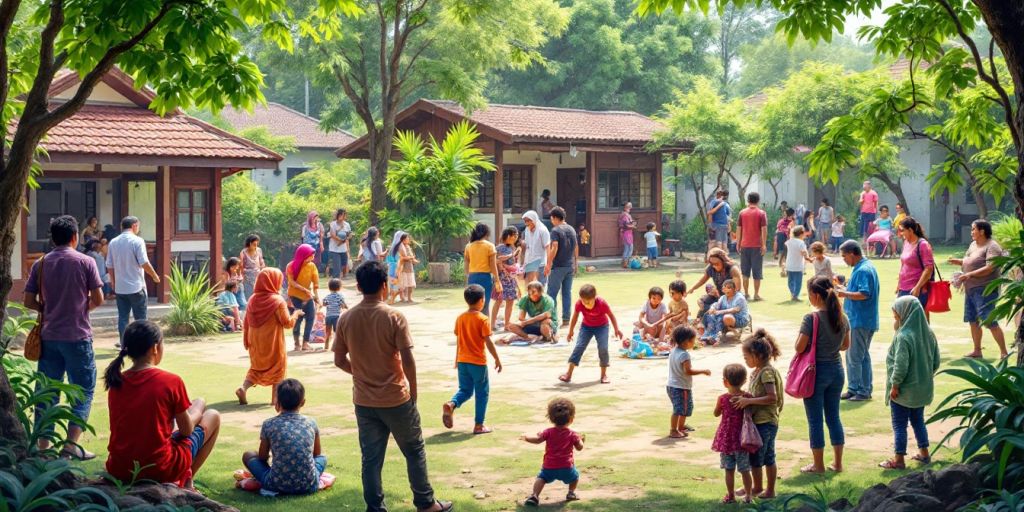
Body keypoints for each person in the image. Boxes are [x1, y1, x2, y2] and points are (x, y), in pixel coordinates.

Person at [333, 261, 452, 512]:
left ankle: (375, 507)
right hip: (396, 398)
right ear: (384, 286)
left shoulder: (347, 318)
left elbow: (339, 360)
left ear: (358, 286)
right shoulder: (394, 316)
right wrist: (414, 393)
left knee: (371, 459)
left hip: (364, 400)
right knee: (414, 450)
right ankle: (425, 503)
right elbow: (407, 359)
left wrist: (363, 372)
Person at [23, 215, 104, 459]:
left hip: (48, 338)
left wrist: (50, 310)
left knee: (47, 392)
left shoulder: (42, 263)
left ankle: (43, 448)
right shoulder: (85, 261)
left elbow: (28, 301)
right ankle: (70, 446)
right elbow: (99, 298)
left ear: (52, 238)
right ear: (74, 237)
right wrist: (79, 309)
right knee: (83, 390)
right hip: (77, 336)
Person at [105, 320, 220, 489]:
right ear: (155, 348)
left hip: (120, 467)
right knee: (213, 416)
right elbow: (186, 430)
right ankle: (187, 481)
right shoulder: (170, 381)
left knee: (171, 431)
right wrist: (198, 407)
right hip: (159, 468)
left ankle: (186, 480)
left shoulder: (116, 383)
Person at [879, 296, 940, 470]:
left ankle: (898, 459)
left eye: (897, 316)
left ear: (906, 314)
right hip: (921, 390)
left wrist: (895, 385)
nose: (896, 320)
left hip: (903, 391)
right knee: (918, 420)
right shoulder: (928, 333)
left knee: (899, 425)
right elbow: (936, 362)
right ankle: (924, 453)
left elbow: (900, 365)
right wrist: (924, 377)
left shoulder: (904, 337)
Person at [798, 277, 850, 473]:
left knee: (815, 420)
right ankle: (837, 463)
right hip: (836, 370)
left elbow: (799, 346)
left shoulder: (811, 318)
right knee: (834, 417)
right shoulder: (842, 317)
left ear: (816, 295)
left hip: (815, 372)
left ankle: (818, 465)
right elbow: (846, 345)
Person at [243, 379, 327, 495]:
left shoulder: (269, 424)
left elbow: (262, 457)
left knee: (248, 455)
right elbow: (317, 455)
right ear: (302, 402)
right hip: (309, 484)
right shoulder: (311, 423)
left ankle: (271, 476)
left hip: (276, 484)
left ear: (278, 402)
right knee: (322, 458)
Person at [442, 284, 503, 434]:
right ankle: (479, 425)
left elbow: (459, 339)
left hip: (463, 360)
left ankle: (452, 403)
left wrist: (456, 359)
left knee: (465, 390)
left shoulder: (460, 318)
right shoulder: (483, 319)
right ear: (482, 300)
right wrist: (497, 358)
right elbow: (488, 341)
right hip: (477, 362)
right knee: (482, 393)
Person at [237, 268, 303, 406]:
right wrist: (296, 314)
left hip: (255, 341)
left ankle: (243, 388)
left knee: (256, 368)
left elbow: (247, 321)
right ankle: (275, 400)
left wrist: (247, 339)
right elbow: (287, 323)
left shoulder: (252, 299)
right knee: (277, 369)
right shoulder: (277, 301)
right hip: (273, 342)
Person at [732, 330, 783, 499]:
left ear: (758, 355)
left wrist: (749, 402)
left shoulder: (766, 372)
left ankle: (760, 488)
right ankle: (762, 488)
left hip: (765, 422)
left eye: (746, 357)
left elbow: (772, 398)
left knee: (760, 457)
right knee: (766, 456)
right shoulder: (759, 371)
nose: (745, 360)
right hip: (762, 421)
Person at [949, 219, 1009, 359]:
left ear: (982, 231)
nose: (971, 232)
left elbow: (990, 268)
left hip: (985, 290)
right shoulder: (973, 245)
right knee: (973, 320)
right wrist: (959, 262)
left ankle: (1004, 352)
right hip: (971, 289)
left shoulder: (992, 246)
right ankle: (977, 351)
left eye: (973, 229)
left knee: (989, 320)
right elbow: (969, 260)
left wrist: (969, 274)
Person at [106, 216, 161, 345]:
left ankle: (124, 343)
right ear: (135, 225)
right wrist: (154, 275)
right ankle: (141, 343)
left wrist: (113, 282)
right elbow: (144, 262)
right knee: (140, 319)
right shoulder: (137, 241)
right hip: (136, 286)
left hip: (120, 287)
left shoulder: (113, 242)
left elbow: (109, 265)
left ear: (122, 227)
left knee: (123, 318)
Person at [521, 398, 585, 507]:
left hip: (549, 466)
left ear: (551, 418)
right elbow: (579, 448)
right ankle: (571, 493)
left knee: (541, 479)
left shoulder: (548, 432)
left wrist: (526, 438)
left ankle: (535, 496)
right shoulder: (573, 434)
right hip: (566, 467)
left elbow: (537, 440)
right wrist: (581, 440)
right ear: (571, 419)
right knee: (575, 477)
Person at [837, 241, 880, 401]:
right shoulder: (863, 267)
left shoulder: (863, 270)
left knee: (856, 356)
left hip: (860, 320)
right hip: (861, 319)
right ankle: (855, 387)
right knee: (858, 355)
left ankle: (862, 390)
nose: (844, 260)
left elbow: (864, 293)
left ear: (852, 253)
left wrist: (844, 294)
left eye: (844, 256)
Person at [561, 284, 623, 384]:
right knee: (579, 347)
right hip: (586, 327)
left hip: (602, 327)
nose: (585, 304)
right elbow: (575, 317)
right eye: (583, 301)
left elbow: (611, 315)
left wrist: (616, 329)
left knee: (603, 348)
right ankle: (568, 373)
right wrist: (570, 331)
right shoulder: (579, 304)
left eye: (588, 302)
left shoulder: (602, 303)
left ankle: (604, 375)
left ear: (594, 297)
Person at [712, 364, 752, 504]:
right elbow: (752, 412)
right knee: (745, 469)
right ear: (744, 380)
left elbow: (716, 413)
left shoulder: (723, 398)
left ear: (725, 381)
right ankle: (748, 496)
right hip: (742, 439)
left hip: (726, 440)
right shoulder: (747, 397)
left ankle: (731, 496)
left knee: (729, 470)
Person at [666, 326, 711, 439]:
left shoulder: (673, 351)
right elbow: (688, 371)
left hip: (671, 385)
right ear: (687, 341)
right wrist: (703, 371)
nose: (694, 342)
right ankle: (674, 430)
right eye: (693, 340)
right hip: (681, 387)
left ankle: (680, 427)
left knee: (682, 408)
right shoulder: (684, 355)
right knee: (679, 409)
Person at [896, 217, 935, 318]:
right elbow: (903, 264)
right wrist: (899, 284)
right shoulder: (906, 243)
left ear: (910, 230)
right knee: (901, 317)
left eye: (902, 230)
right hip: (904, 287)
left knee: (918, 320)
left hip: (917, 289)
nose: (901, 234)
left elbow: (929, 268)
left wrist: (918, 287)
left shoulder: (923, 245)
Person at [546, 208, 578, 325]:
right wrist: (576, 263)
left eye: (551, 218)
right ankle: (566, 319)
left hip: (558, 266)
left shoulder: (555, 230)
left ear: (554, 217)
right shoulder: (572, 229)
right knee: (566, 293)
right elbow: (576, 247)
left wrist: (548, 263)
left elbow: (554, 247)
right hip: (569, 265)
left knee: (552, 294)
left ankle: (552, 319)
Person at [287, 244, 320, 352]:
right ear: (303, 255)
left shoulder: (312, 266)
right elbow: (291, 282)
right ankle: (297, 343)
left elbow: (315, 284)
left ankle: (305, 343)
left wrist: (316, 297)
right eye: (310, 255)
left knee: (310, 318)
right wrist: (304, 289)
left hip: (307, 297)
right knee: (298, 319)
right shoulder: (291, 265)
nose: (312, 258)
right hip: (295, 296)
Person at [736, 192, 768, 301]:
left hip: (744, 245)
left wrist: (738, 243)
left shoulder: (742, 213)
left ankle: (746, 294)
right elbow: (764, 230)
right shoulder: (761, 213)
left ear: (748, 200)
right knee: (757, 271)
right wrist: (763, 244)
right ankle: (756, 294)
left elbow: (739, 229)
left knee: (745, 271)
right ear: (758, 200)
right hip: (757, 246)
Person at [464, 222, 502, 313]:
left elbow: (466, 264)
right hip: (485, 277)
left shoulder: (468, 246)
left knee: (472, 304)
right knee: (484, 304)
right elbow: (493, 265)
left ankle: (473, 325)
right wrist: (497, 280)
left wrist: (467, 277)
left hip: (472, 277)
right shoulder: (489, 246)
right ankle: (484, 325)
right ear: (486, 233)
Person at [492, 227, 522, 330]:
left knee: (510, 301)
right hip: (503, 278)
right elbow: (498, 260)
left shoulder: (512, 248)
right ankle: (492, 324)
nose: (516, 237)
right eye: (515, 235)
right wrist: (512, 255)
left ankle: (507, 324)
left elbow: (514, 265)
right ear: (508, 236)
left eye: (517, 235)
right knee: (499, 301)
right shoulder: (500, 247)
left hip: (511, 279)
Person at [703, 280, 750, 345]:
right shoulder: (723, 298)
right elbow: (716, 305)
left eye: (729, 288)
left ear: (735, 289)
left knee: (726, 317)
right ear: (723, 289)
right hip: (724, 317)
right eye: (725, 288)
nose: (727, 290)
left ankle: (732, 330)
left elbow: (735, 310)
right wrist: (712, 308)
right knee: (710, 316)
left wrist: (719, 312)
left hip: (740, 319)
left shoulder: (740, 298)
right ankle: (710, 337)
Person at [522, 211, 551, 284]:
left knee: (541, 286)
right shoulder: (527, 230)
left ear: (534, 219)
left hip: (540, 263)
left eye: (529, 221)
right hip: (529, 262)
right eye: (525, 221)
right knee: (529, 286)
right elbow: (527, 247)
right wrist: (524, 262)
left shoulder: (543, 230)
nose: (527, 223)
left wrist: (548, 264)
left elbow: (548, 247)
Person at [785, 226, 810, 301]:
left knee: (790, 281)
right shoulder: (801, 243)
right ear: (801, 234)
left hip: (789, 264)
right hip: (798, 265)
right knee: (798, 282)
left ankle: (793, 293)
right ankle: (795, 295)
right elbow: (804, 252)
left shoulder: (789, 241)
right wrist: (808, 258)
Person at [322, 278, 347, 352]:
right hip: (336, 316)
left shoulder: (327, 296)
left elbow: (324, 303)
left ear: (329, 287)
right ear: (339, 287)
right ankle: (336, 345)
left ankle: (326, 343)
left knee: (328, 331)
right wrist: (346, 307)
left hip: (328, 316)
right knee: (337, 332)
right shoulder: (340, 296)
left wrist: (328, 304)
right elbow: (342, 304)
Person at [327, 209, 352, 279]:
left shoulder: (347, 224)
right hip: (334, 249)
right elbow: (333, 235)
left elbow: (349, 234)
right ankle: (335, 280)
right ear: (338, 215)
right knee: (337, 267)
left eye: (344, 215)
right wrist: (340, 240)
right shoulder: (333, 224)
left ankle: (343, 276)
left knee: (344, 264)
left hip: (343, 248)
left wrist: (347, 238)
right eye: (341, 215)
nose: (343, 216)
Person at [240, 234, 266, 301]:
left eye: (257, 244)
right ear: (249, 243)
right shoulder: (243, 252)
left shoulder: (259, 250)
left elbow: (262, 262)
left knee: (259, 295)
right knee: (249, 296)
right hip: (247, 277)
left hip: (258, 276)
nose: (256, 246)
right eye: (254, 244)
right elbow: (241, 266)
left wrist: (263, 269)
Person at [397, 233, 420, 302]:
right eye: (407, 238)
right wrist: (411, 258)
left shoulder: (408, 247)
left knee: (410, 284)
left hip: (409, 267)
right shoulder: (400, 247)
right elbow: (403, 257)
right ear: (403, 240)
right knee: (403, 284)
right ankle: (403, 297)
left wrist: (414, 261)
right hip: (403, 268)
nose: (409, 239)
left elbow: (411, 257)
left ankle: (409, 298)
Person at [773, 208, 796, 273]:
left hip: (782, 238)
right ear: (792, 214)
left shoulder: (781, 221)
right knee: (786, 253)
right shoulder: (792, 222)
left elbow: (777, 230)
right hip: (786, 238)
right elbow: (792, 230)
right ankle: (785, 269)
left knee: (784, 252)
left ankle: (782, 265)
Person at [386, 231, 405, 305]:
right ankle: (392, 299)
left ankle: (391, 299)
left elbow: (388, 259)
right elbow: (403, 256)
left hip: (391, 267)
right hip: (397, 267)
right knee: (398, 286)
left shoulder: (392, 247)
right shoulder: (400, 246)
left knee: (393, 284)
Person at [618, 202, 637, 268]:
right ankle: (626, 262)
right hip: (626, 232)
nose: (631, 207)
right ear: (626, 207)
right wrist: (633, 226)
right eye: (630, 206)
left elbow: (629, 223)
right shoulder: (625, 215)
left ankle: (624, 262)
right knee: (629, 247)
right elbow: (626, 225)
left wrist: (633, 223)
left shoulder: (626, 214)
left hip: (627, 232)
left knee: (627, 247)